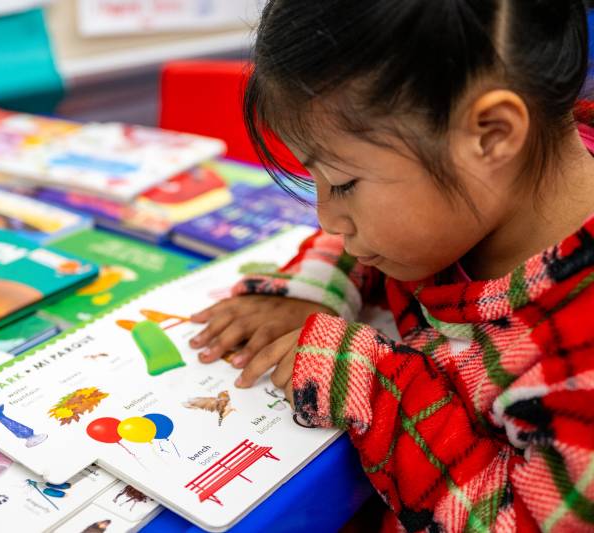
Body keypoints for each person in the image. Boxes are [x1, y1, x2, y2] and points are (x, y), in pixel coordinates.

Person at [191, 0, 594, 530]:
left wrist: (379, 387)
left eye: (344, 183)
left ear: (492, 134)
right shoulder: (481, 199)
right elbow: (382, 235)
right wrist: (314, 289)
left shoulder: (575, 358)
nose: (328, 219)